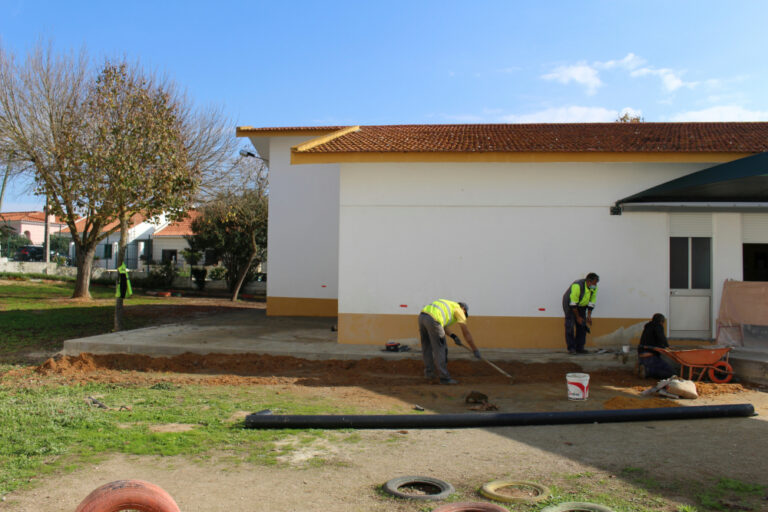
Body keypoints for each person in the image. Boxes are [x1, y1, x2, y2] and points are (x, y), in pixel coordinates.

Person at [418, 299, 481, 385]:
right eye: (464, 314)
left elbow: (442, 326)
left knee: (427, 347)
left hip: (422, 317)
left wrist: (453, 336)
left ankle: (429, 374)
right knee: (440, 349)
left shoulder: (448, 305)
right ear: (464, 309)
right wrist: (475, 349)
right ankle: (444, 378)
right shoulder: (459, 310)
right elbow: (466, 333)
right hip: (433, 320)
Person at [562, 272, 599, 354]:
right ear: (588, 281)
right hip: (570, 305)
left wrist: (589, 315)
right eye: (594, 283)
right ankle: (571, 348)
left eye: (596, 283)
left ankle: (580, 347)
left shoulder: (594, 288)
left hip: (582, 305)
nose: (595, 285)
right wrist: (577, 317)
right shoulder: (577, 286)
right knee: (570, 326)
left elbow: (592, 302)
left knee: (582, 325)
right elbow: (573, 304)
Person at [637, 313, 676, 379]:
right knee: (671, 372)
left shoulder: (648, 326)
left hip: (641, 354)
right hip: (650, 356)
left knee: (657, 366)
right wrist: (667, 346)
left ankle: (642, 367)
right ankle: (647, 372)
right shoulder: (658, 326)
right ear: (661, 321)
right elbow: (661, 337)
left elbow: (653, 340)